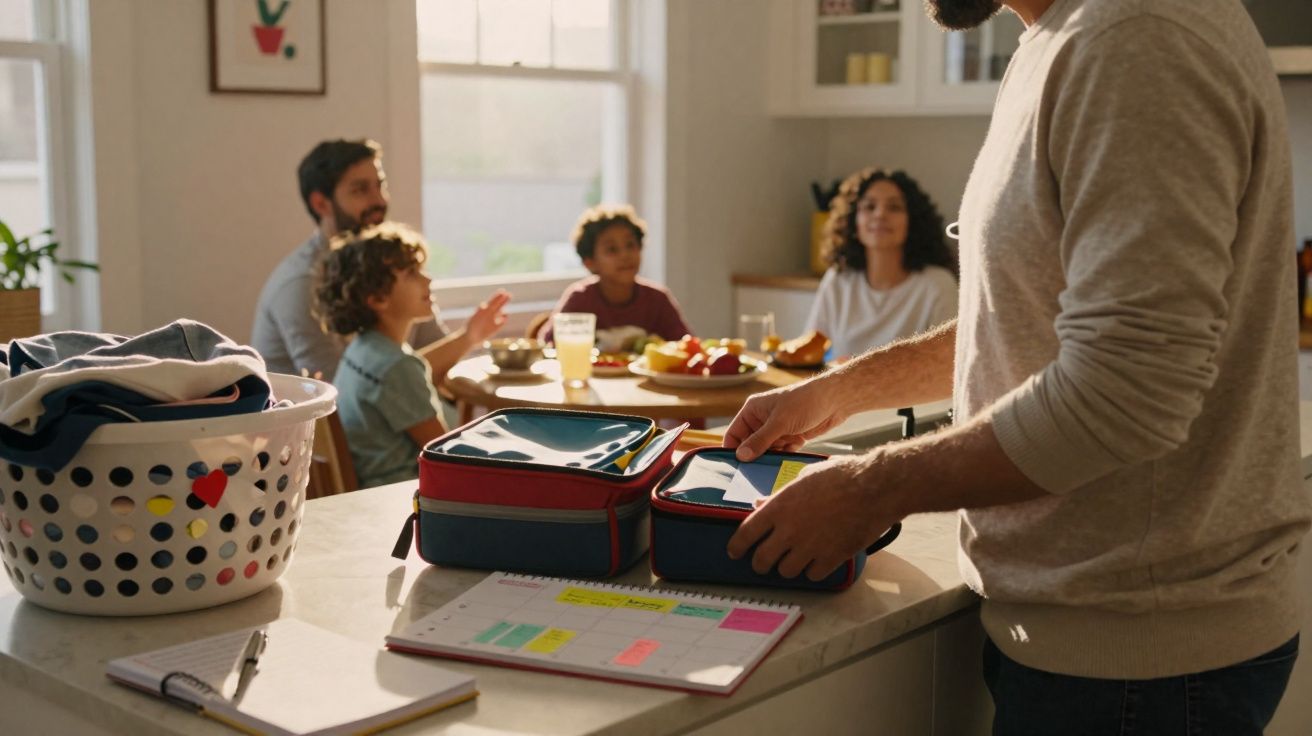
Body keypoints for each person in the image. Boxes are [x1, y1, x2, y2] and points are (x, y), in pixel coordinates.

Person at [723, 0, 1308, 733]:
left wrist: (869, 489)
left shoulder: (1137, 37)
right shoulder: (1060, 37)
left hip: (1143, 658)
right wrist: (841, 391)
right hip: (1097, 630)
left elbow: (1126, 390)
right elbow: (1025, 313)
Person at [314, 224, 507, 488]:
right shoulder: (397, 367)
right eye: (412, 273)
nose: (428, 280)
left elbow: (408, 374)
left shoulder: (362, 350)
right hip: (402, 495)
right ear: (378, 299)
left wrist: (469, 336)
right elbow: (446, 454)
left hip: (372, 489)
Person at [251, 138, 446, 380]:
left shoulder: (393, 267)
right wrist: (467, 339)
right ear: (321, 204)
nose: (380, 201)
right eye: (360, 190)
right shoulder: (302, 284)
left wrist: (471, 337)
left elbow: (437, 348)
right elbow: (340, 395)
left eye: (380, 186)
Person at [804, 168, 957, 360]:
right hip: (845, 390)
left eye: (894, 207)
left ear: (913, 221)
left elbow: (948, 366)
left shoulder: (938, 285)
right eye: (869, 207)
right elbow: (810, 351)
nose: (880, 214)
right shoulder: (839, 279)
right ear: (853, 221)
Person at [539, 205, 692, 344]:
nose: (625, 255)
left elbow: (685, 346)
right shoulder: (580, 298)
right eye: (612, 249)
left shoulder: (657, 299)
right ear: (590, 262)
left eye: (631, 245)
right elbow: (549, 344)